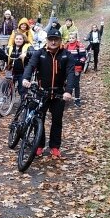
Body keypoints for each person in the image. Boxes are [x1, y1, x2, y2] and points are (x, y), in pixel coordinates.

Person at [21, 27, 75, 158]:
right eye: (51, 39)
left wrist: (68, 91)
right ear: (47, 40)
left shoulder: (66, 55)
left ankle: (55, 147)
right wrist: (26, 78)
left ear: (60, 40)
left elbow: (71, 73)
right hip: (42, 92)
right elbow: (31, 66)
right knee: (39, 119)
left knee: (57, 121)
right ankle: (39, 145)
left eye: (56, 39)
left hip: (59, 93)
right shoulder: (39, 53)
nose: (53, 42)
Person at [64, 31, 86, 107]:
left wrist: (78, 62)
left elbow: (83, 57)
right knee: (66, 82)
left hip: (77, 67)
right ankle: (65, 97)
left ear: (76, 38)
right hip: (68, 68)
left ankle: (77, 99)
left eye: (73, 38)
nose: (71, 39)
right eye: (70, 38)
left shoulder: (79, 45)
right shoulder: (66, 46)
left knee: (76, 83)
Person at [6, 32, 31, 97]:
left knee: (22, 89)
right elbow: (5, 55)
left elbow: (33, 52)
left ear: (23, 40)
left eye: (20, 39)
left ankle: (23, 103)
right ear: (14, 40)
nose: (18, 40)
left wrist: (26, 54)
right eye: (16, 39)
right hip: (12, 71)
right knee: (6, 86)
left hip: (23, 72)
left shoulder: (28, 47)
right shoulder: (11, 48)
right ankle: (7, 99)